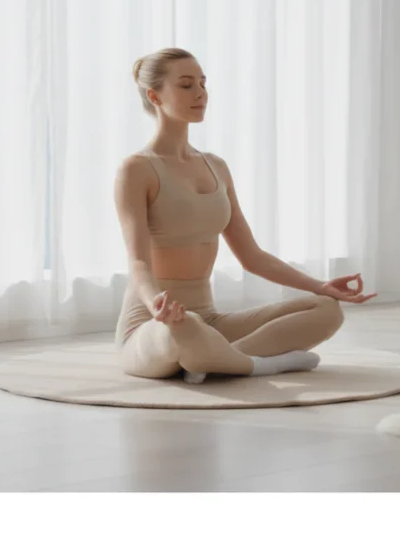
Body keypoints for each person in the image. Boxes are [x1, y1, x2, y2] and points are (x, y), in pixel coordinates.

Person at [113, 47, 376, 384]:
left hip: (210, 320)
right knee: (185, 329)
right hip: (154, 324)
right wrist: (157, 306)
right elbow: (138, 263)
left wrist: (322, 286)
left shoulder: (216, 166)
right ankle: (260, 363)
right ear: (155, 96)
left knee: (325, 309)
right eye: (185, 85)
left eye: (203, 84)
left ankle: (214, 359)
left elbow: (252, 256)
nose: (200, 94)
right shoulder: (137, 169)